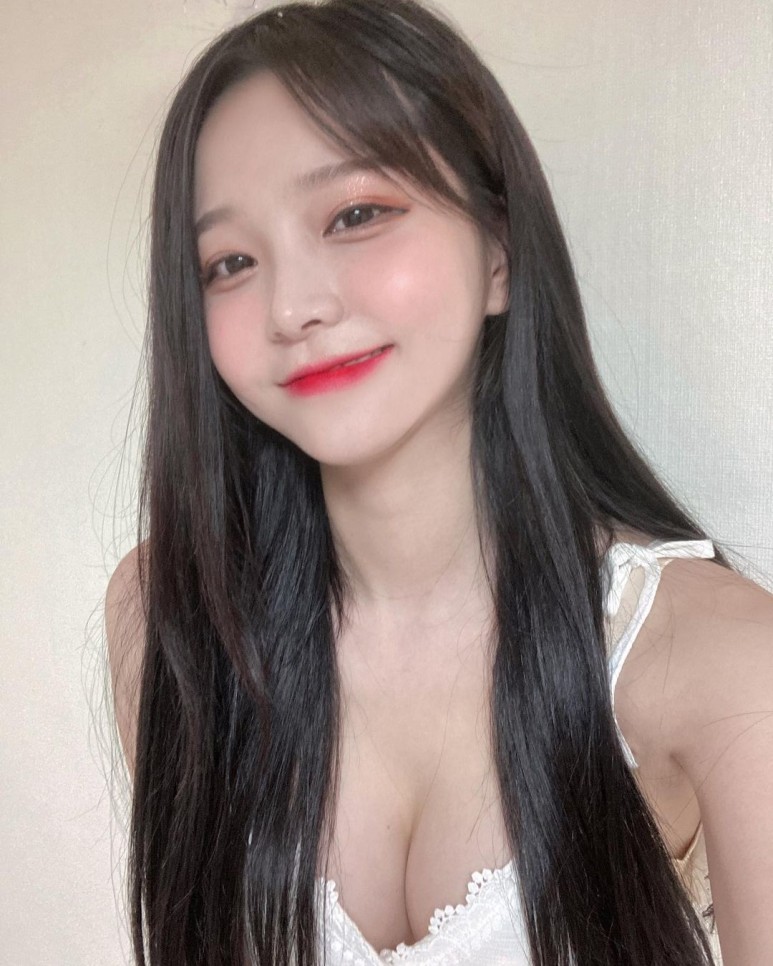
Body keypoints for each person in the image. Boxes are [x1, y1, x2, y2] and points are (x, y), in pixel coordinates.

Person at [104, 0, 773, 963]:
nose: (293, 306)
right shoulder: (169, 617)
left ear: (498, 249)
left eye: (356, 214)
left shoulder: (720, 660)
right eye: (230, 262)